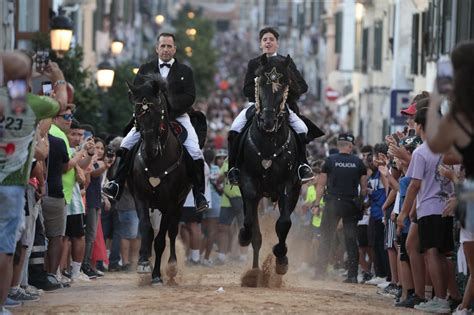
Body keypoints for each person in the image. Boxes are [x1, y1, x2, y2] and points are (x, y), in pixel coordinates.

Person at [103, 32, 208, 212]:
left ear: (174, 49)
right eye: (163, 46)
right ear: (157, 48)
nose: (166, 49)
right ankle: (116, 184)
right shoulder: (145, 69)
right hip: (149, 117)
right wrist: (149, 110)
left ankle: (199, 194)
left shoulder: (185, 71)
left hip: (178, 116)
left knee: (195, 150)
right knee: (127, 144)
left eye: (169, 46)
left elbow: (190, 96)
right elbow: (135, 93)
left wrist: (169, 110)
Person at [227, 27, 317, 185]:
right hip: (258, 106)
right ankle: (233, 168)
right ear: (260, 44)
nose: (268, 42)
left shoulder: (286, 62)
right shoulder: (254, 63)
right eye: (265, 39)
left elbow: (303, 86)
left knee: (302, 129)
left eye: (271, 39)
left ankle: (303, 165)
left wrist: (287, 87)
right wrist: (259, 87)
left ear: (277, 43)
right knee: (235, 128)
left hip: (281, 107)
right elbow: (246, 89)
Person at [313, 134, 368, 283]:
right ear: (350, 146)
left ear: (338, 146)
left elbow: (321, 185)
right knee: (351, 240)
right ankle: (352, 275)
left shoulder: (330, 161)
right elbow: (364, 189)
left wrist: (317, 204)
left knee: (326, 238)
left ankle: (320, 273)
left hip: (332, 203)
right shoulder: (358, 163)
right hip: (350, 204)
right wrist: (361, 203)